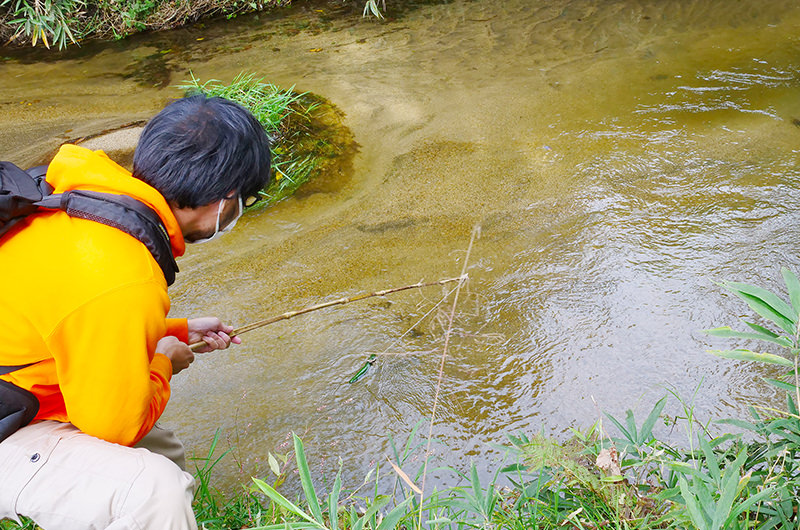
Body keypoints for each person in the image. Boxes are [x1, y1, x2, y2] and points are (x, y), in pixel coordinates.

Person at [0, 94, 271, 530]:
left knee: (160, 444)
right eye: (246, 201)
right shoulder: (123, 272)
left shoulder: (78, 204)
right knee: (152, 489)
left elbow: (66, 322)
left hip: (17, 384)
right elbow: (116, 428)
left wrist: (177, 330)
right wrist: (165, 361)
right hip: (11, 422)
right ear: (227, 197)